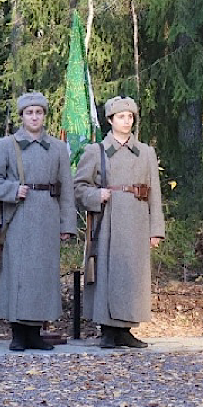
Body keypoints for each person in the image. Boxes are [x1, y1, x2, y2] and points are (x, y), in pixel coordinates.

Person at [74, 96, 164, 349]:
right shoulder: (96, 151)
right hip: (107, 221)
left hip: (136, 223)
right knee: (105, 274)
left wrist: (156, 229)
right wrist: (95, 195)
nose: (126, 121)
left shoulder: (146, 152)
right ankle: (107, 331)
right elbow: (79, 186)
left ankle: (125, 330)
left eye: (130, 116)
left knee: (132, 276)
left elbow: (155, 193)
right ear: (110, 120)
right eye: (121, 117)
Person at [0, 92, 76, 351]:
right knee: (17, 273)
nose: (34, 117)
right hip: (18, 216)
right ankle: (18, 333)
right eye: (29, 113)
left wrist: (67, 224)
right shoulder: (6, 145)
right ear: (22, 116)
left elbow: (67, 189)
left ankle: (35, 332)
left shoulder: (58, 148)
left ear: (44, 116)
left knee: (42, 275)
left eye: (38, 112)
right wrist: (12, 190)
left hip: (47, 216)